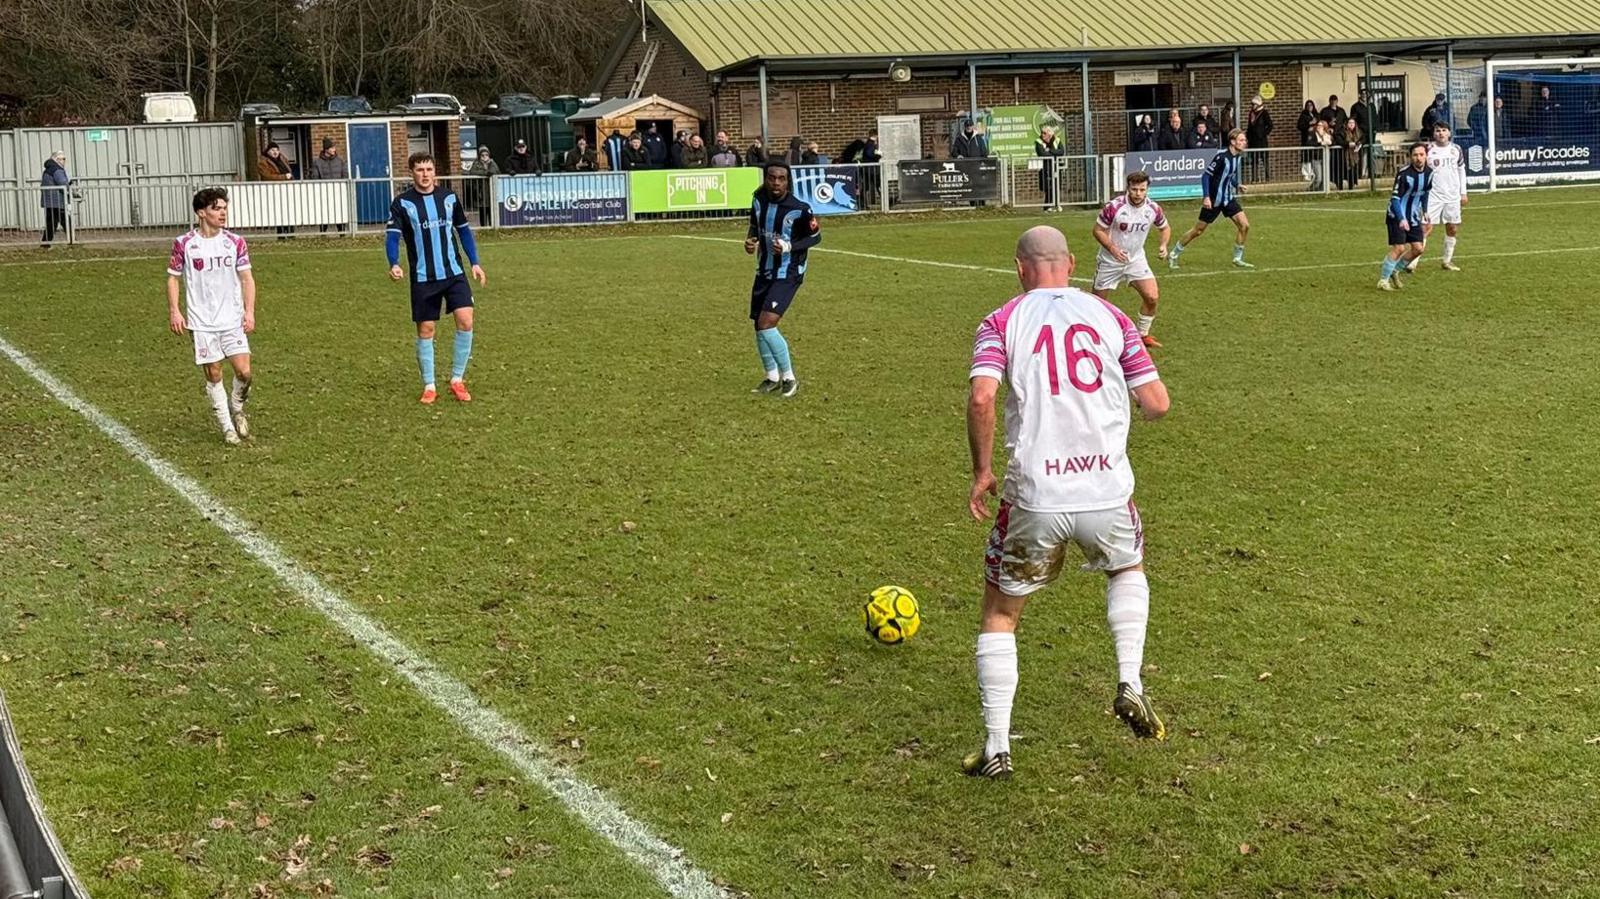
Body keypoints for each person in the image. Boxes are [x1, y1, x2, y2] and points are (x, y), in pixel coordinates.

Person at [962, 224, 1171, 779]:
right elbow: (1157, 404)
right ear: (1073, 263)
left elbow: (983, 395)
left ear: (1019, 268)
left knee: (1002, 613)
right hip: (1106, 488)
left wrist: (982, 471)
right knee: (1126, 568)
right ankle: (1130, 680)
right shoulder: (1113, 317)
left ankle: (998, 747)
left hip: (1036, 492)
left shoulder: (1002, 320)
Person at [385, 153, 487, 404]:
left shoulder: (449, 198)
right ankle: (429, 385)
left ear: (435, 172)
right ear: (412, 173)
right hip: (423, 277)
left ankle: (457, 379)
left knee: (466, 320)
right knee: (426, 329)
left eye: (429, 168)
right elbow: (392, 236)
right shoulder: (402, 203)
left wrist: (474, 262)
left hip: (453, 273)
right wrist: (394, 263)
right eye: (420, 169)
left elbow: (463, 231)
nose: (425, 173)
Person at [165, 187, 256, 445]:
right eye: (217, 208)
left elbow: (247, 278)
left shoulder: (235, 242)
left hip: (232, 319)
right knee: (214, 373)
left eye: (224, 208)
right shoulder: (184, 244)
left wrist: (249, 311)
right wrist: (175, 311)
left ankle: (237, 406)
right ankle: (227, 427)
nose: (223, 213)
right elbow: (173, 279)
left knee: (244, 372)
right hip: (201, 321)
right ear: (201, 213)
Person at [743, 161, 820, 398]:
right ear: (765, 179)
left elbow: (815, 237)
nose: (776, 182)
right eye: (772, 178)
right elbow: (755, 226)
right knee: (758, 325)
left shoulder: (800, 209)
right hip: (764, 270)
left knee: (767, 323)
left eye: (781, 178)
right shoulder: (758, 199)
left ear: (788, 181)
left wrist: (789, 246)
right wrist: (750, 241)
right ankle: (771, 376)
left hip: (789, 273)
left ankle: (789, 378)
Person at [1092, 171, 1171, 348]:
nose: (1138, 194)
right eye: (1134, 189)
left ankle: (1143, 335)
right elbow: (1097, 230)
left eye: (1142, 190)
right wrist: (1112, 248)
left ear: (1147, 189)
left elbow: (1165, 228)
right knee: (1098, 305)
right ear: (1128, 188)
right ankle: (1096, 338)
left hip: (1136, 260)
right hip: (1109, 262)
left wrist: (1163, 245)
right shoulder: (1114, 207)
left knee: (1152, 297)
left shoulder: (1153, 209)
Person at [1169, 128, 1251, 269]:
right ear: (1232, 142)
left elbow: (1227, 176)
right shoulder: (1221, 157)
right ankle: (1174, 254)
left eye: (1245, 140)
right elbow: (1206, 176)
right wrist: (1206, 197)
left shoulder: (1237, 157)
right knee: (1198, 230)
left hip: (1228, 199)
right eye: (1241, 140)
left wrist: (1237, 185)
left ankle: (1237, 258)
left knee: (1244, 226)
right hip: (1213, 200)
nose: (1244, 143)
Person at [1408, 121, 1467, 272]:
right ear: (1434, 134)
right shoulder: (1428, 149)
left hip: (1452, 196)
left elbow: (1461, 170)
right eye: (1438, 130)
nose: (1441, 133)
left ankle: (1447, 261)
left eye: (1444, 130)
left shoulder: (1456, 150)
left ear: (1449, 133)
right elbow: (1418, 168)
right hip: (1432, 195)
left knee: (1452, 228)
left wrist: (1463, 192)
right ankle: (1412, 263)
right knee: (1425, 227)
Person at [1378, 142, 1432, 291]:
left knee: (1418, 249)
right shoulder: (1404, 174)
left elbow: (1425, 193)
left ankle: (1395, 270)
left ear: (1426, 156)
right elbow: (1395, 199)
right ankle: (1383, 281)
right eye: (1415, 155)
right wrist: (1401, 218)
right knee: (1399, 248)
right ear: (1410, 157)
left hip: (1413, 216)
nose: (1418, 158)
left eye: (1421, 155)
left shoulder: (1429, 173)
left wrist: (1425, 211)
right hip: (1396, 214)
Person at [307, 137, 349, 233]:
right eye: (332, 148)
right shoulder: (317, 162)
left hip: (338, 191)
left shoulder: (340, 161)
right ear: (326, 149)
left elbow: (345, 174)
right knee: (324, 212)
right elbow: (315, 176)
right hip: (324, 192)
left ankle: (341, 231)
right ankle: (323, 232)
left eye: (334, 148)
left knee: (339, 212)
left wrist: (342, 186)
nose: (334, 150)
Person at [257, 142, 295, 239]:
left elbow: (289, 171)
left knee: (289, 211)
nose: (275, 152)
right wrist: (283, 177)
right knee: (279, 212)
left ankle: (291, 232)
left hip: (287, 190)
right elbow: (267, 177)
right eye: (273, 150)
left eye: (277, 150)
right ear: (268, 151)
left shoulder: (283, 159)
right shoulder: (263, 162)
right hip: (274, 191)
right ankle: (281, 234)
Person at [39, 150, 69, 248]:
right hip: (57, 201)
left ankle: (45, 243)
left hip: (49, 200)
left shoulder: (48, 169)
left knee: (51, 223)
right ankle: (73, 241)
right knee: (65, 222)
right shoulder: (57, 170)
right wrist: (69, 187)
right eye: (63, 159)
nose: (64, 161)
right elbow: (62, 182)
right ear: (57, 159)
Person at [466, 145, 500, 227]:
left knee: (492, 210)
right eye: (482, 155)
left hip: (491, 190)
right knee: (483, 211)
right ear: (479, 156)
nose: (484, 157)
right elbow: (473, 172)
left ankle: (493, 227)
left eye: (486, 155)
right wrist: (486, 173)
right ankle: (484, 228)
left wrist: (489, 170)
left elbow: (497, 171)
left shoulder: (492, 163)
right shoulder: (476, 163)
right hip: (481, 191)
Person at [1034, 125, 1064, 207]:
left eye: (1044, 133)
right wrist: (1054, 153)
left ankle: (1057, 204)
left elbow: (1061, 151)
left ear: (1050, 134)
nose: (1042, 134)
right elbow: (1042, 153)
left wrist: (1050, 150)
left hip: (1056, 166)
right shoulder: (1038, 141)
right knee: (1048, 187)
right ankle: (1047, 206)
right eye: (1042, 133)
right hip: (1045, 167)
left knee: (1056, 186)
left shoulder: (1057, 140)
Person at [1244, 96, 1272, 181]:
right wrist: (1247, 137)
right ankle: (1255, 178)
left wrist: (1263, 134)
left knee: (1264, 160)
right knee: (1254, 160)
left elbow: (1270, 125)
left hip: (1262, 140)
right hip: (1253, 141)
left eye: (1254, 104)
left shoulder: (1264, 113)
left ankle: (1267, 178)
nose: (1252, 106)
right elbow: (1249, 127)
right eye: (1252, 104)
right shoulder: (1251, 114)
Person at [1308, 120, 1333, 191]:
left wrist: (1329, 142)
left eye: (1321, 125)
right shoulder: (1312, 134)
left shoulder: (1327, 134)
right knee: (1318, 178)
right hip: (1316, 158)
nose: (1319, 127)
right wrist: (1320, 143)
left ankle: (1321, 192)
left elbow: (1333, 142)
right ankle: (1310, 190)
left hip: (1325, 157)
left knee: (1325, 178)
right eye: (1318, 125)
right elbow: (1309, 143)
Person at [1340, 118, 1365, 190]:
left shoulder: (1359, 132)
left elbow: (1363, 139)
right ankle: (1346, 187)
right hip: (1346, 155)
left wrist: (1359, 143)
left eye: (1353, 123)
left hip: (1356, 155)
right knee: (1347, 171)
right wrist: (1348, 144)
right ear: (1347, 124)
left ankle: (1353, 185)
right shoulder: (1343, 132)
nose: (1351, 124)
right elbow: (1340, 140)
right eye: (1350, 123)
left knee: (1354, 171)